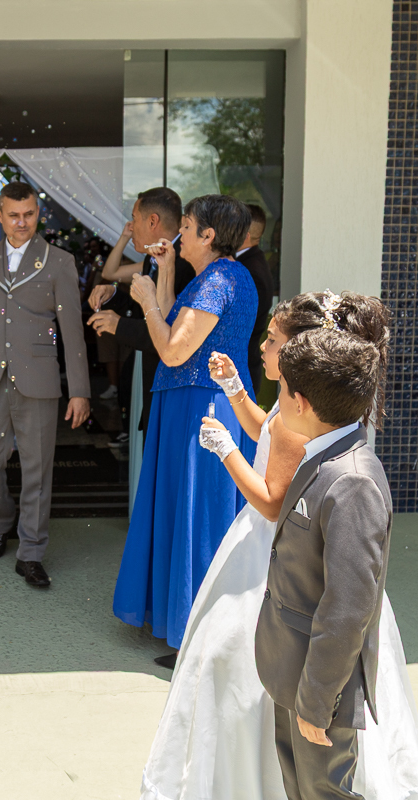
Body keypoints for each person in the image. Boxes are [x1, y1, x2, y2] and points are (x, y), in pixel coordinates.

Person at [140, 292, 418, 800]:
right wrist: (237, 394)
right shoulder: (305, 406)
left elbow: (279, 509)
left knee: (311, 759)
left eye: (273, 340)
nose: (263, 346)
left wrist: (227, 451)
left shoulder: (347, 476)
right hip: (286, 584)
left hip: (295, 583)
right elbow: (272, 431)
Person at [255, 322, 401, 800]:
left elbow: (348, 609)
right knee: (299, 789)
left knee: (323, 791)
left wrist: (316, 702)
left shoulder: (351, 481)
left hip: (320, 687)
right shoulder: (323, 456)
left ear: (301, 403)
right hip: (290, 666)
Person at [111, 194, 257, 665]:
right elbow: (178, 323)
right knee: (185, 510)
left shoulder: (219, 280)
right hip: (190, 405)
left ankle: (202, 633)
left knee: (200, 515)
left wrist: (148, 300)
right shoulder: (217, 278)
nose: (180, 233)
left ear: (209, 236)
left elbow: (172, 350)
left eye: (188, 227)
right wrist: (166, 272)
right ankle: (184, 617)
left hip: (203, 408)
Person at [0, 181, 90, 588]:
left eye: (28, 214)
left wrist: (80, 389)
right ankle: (2, 518)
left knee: (37, 469)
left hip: (39, 379)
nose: (21, 222)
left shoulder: (59, 262)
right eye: (13, 215)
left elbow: (72, 332)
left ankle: (31, 551)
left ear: (38, 213)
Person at [86, 188, 194, 434]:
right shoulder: (153, 257)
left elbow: (170, 330)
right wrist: (113, 295)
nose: (132, 226)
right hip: (148, 374)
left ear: (153, 221)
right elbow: (142, 310)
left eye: (135, 218)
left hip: (168, 382)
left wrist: (118, 325)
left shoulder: (185, 264)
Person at [235, 203, 275, 390]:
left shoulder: (252, 271)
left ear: (245, 235)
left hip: (240, 372)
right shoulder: (248, 263)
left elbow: (241, 327)